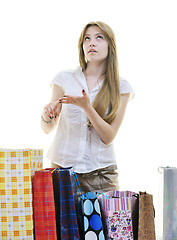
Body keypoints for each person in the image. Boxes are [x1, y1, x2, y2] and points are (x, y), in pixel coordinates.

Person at [41, 21, 134, 193]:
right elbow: (48, 128)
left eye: (99, 37)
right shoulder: (64, 78)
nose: (92, 42)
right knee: (61, 221)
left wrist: (87, 107)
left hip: (102, 177)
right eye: (87, 38)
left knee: (103, 221)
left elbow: (108, 136)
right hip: (62, 172)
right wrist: (48, 116)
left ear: (110, 46)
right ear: (82, 46)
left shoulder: (121, 86)